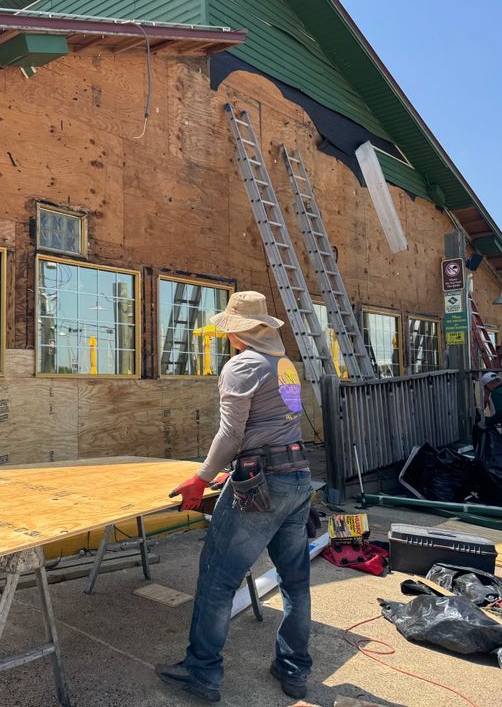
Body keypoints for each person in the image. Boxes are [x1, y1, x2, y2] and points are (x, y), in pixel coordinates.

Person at [156, 291, 312, 703]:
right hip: (297, 477)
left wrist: (201, 478)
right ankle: (294, 668)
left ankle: (202, 672)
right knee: (295, 583)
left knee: (217, 580)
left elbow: (231, 433)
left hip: (262, 484)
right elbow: (283, 421)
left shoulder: (242, 366)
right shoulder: (285, 366)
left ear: (238, 331)